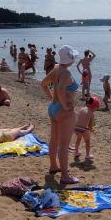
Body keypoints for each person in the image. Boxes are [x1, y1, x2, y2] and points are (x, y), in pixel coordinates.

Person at [41, 45, 80, 185]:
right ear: (70, 59)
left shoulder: (57, 68)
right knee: (64, 144)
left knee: (54, 140)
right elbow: (62, 89)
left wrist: (53, 98)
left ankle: (53, 166)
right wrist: (64, 105)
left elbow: (43, 84)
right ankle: (65, 176)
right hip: (63, 111)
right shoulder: (66, 73)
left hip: (52, 108)